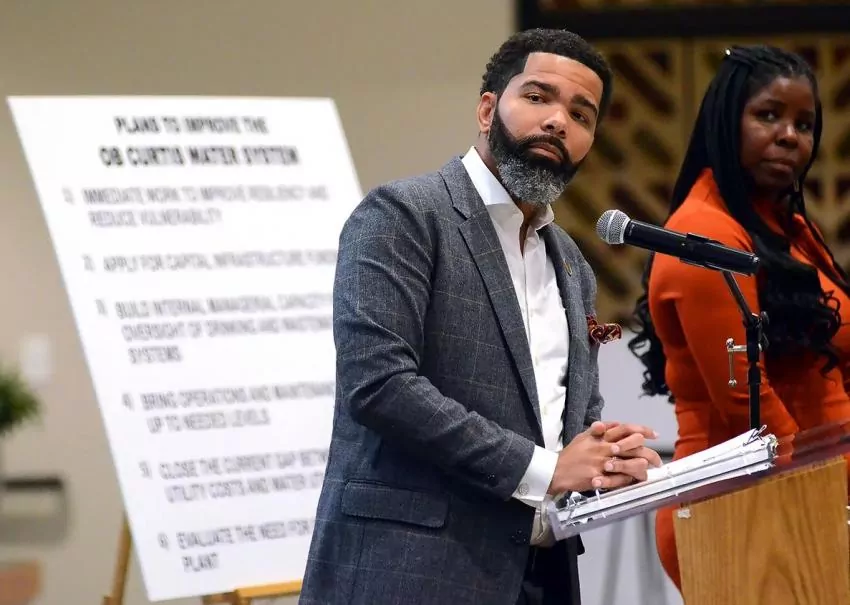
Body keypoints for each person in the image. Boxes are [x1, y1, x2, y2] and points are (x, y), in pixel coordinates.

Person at [300, 28, 662, 605]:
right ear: (488, 109)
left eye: (581, 114)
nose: (558, 122)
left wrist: (603, 457)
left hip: (542, 574)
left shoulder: (572, 264)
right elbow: (380, 385)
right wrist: (547, 469)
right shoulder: (403, 215)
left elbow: (566, 415)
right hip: (414, 572)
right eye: (538, 97)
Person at [628, 44, 850, 592]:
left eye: (804, 124)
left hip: (813, 496)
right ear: (727, 121)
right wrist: (823, 499)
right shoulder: (705, 234)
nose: (790, 136)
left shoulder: (790, 228)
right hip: (747, 509)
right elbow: (747, 404)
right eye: (768, 115)